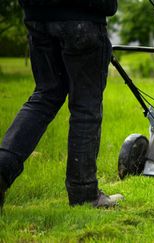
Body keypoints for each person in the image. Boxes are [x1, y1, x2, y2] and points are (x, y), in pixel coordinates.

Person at [0, 0, 124, 210]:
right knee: (86, 105)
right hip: (82, 20)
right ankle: (84, 194)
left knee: (45, 96)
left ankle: (1, 171)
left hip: (38, 18)